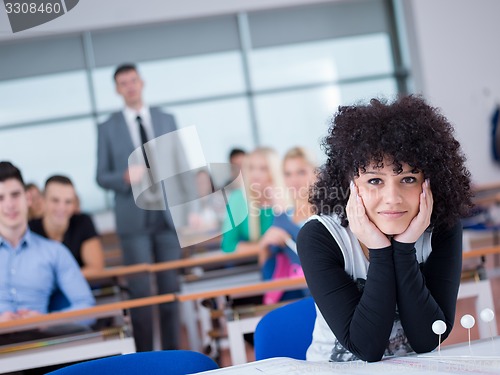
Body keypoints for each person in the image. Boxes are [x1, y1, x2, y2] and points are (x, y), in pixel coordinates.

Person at [297, 96, 472, 362]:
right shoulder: (321, 237)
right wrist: (380, 249)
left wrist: (403, 248)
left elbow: (428, 339)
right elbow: (366, 347)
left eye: (408, 179)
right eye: (375, 180)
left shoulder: (442, 228)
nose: (392, 197)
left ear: (431, 182)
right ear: (350, 183)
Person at [96, 63, 192, 352]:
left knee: (170, 290)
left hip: (167, 217)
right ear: (117, 89)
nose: (130, 86)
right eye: (123, 83)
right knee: (139, 294)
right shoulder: (107, 128)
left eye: (133, 80)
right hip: (133, 219)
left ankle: (173, 358)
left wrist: (190, 211)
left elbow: (183, 167)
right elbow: (100, 176)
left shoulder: (166, 119)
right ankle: (145, 358)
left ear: (142, 82)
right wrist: (123, 177)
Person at [0, 161, 95, 327]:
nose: (9, 205)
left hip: (42, 344)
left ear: (27, 198)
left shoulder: (55, 252)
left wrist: (45, 321)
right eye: (0, 198)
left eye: (15, 195)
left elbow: (87, 307)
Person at [260, 146, 317, 304]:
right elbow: (266, 272)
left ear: (317, 174)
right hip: (301, 298)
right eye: (288, 174)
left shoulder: (329, 216)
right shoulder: (281, 219)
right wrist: (264, 244)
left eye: (301, 172)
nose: (294, 180)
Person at [221, 147, 288, 266]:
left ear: (274, 172)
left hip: (286, 265)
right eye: (251, 168)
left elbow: (290, 240)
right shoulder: (238, 199)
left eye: (263, 169)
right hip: (251, 266)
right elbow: (228, 246)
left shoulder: (288, 196)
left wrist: (277, 202)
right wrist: (263, 246)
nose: (255, 175)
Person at [29, 175, 105, 278]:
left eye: (68, 202)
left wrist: (56, 279)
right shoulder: (30, 229)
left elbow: (96, 268)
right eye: (55, 200)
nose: (62, 208)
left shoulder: (83, 222)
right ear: (43, 201)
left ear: (74, 204)